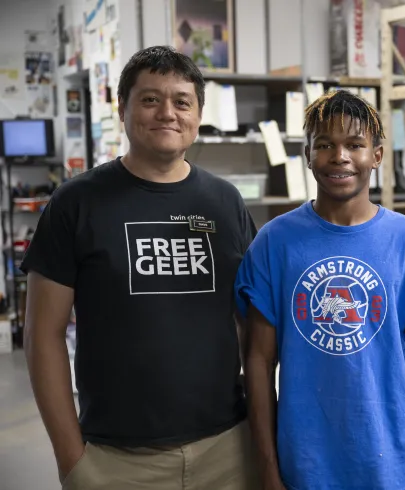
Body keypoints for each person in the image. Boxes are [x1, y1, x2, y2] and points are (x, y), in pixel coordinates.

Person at [22, 46, 259, 490]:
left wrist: (260, 432)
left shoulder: (226, 203)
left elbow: (251, 326)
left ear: (198, 112)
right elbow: (42, 335)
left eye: (181, 101)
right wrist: (72, 459)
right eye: (150, 99)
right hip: (116, 461)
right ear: (122, 108)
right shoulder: (75, 203)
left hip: (228, 449)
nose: (167, 113)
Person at [235, 90, 405, 490]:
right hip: (304, 468)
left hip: (393, 467)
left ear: (378, 156)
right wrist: (267, 469)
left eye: (355, 144)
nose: (340, 157)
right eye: (324, 145)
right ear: (307, 155)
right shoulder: (274, 242)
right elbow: (259, 362)